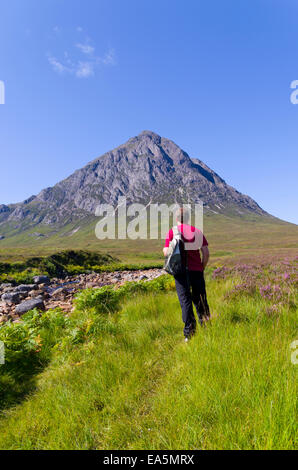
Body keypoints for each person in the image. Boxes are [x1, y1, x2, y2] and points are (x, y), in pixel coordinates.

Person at [163, 207, 210, 342]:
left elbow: (166, 253)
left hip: (180, 272)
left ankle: (189, 334)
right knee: (201, 300)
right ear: (188, 218)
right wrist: (201, 267)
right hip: (197, 271)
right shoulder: (197, 231)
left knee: (185, 302)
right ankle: (207, 328)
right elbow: (206, 253)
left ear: (176, 218)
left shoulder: (172, 232)